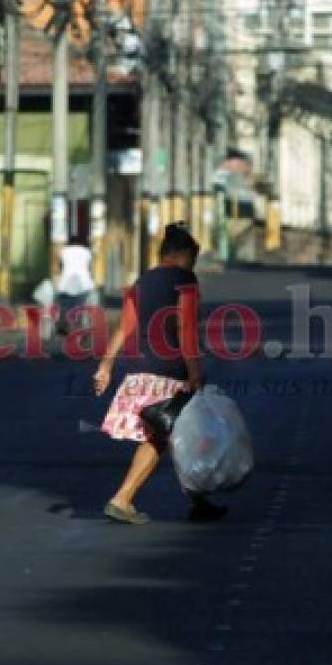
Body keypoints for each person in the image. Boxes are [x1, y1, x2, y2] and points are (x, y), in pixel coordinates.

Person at [92, 223, 226, 525]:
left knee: (184, 434)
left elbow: (125, 325)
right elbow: (185, 326)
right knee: (161, 436)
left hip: (140, 369)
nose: (194, 265)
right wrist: (194, 371)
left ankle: (199, 501)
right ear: (181, 255)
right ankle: (122, 498)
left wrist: (106, 365)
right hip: (169, 371)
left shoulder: (143, 280)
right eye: (193, 258)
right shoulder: (184, 279)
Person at [55, 235, 96, 334]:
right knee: (82, 307)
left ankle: (69, 328)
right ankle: (83, 329)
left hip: (66, 285)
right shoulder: (87, 252)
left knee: (67, 308)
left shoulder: (63, 251)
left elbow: (60, 267)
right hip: (84, 284)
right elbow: (90, 268)